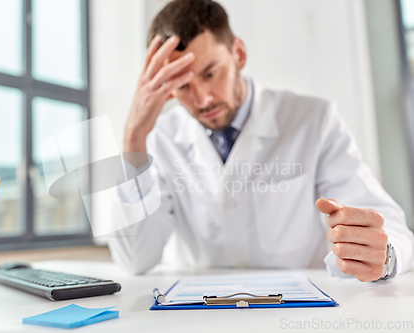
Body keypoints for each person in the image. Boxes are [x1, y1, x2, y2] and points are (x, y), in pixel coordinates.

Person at [107, 0, 414, 281]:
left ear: (238, 54)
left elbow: (391, 229)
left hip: (296, 309)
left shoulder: (313, 119)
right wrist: (134, 137)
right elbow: (134, 259)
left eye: (211, 73)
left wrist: (383, 254)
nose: (202, 99)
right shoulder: (159, 139)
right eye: (182, 85)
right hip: (196, 315)